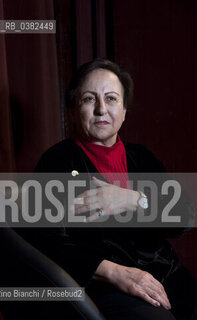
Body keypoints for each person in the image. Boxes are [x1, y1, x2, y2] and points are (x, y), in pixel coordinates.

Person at [34, 58, 197, 320]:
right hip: (108, 287)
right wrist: (116, 273)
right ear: (74, 111)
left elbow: (184, 216)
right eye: (89, 99)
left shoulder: (141, 157)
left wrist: (134, 199)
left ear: (123, 111)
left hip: (167, 275)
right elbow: (49, 243)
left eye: (111, 99)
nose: (101, 109)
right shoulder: (58, 161)